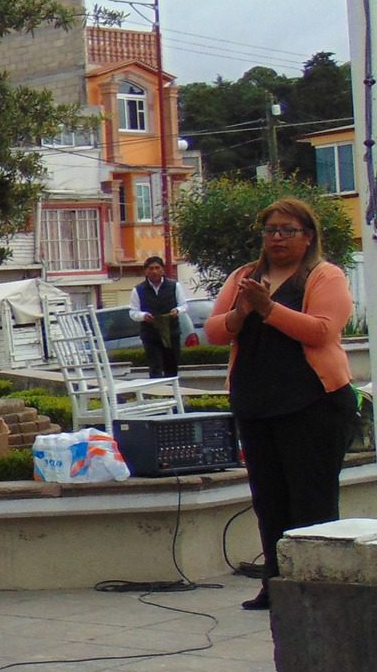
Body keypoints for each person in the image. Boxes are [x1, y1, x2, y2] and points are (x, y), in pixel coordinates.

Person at [205, 197, 356, 611]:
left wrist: (270, 308)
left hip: (313, 405)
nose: (277, 238)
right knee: (269, 501)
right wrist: (242, 311)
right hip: (257, 404)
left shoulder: (324, 276)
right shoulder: (245, 277)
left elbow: (322, 332)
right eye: (270, 230)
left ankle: (315, 585)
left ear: (307, 237)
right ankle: (275, 583)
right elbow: (215, 331)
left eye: (287, 230)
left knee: (311, 500)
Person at [131, 255, 182, 377]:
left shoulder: (174, 286)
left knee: (172, 366)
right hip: (150, 335)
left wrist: (177, 310)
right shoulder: (138, 290)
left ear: (162, 270)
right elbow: (133, 312)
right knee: (155, 367)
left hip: (171, 333)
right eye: (150, 268)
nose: (154, 271)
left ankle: (173, 394)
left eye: (157, 268)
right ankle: (158, 392)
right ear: (146, 271)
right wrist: (144, 316)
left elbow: (184, 305)